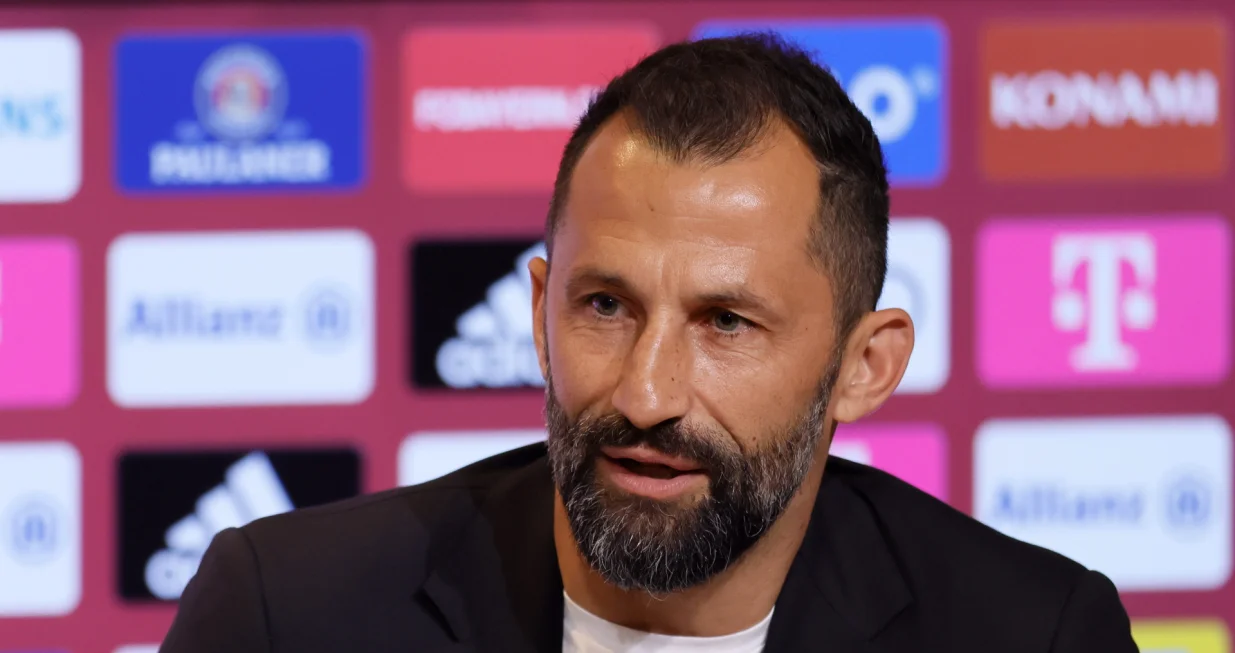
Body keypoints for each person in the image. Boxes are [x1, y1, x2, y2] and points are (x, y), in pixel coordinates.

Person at [159, 34, 1139, 653]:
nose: (644, 390)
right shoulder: (286, 614)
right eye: (602, 305)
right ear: (539, 312)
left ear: (863, 364)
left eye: (725, 322)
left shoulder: (1029, 631)